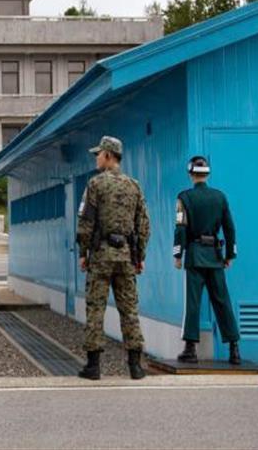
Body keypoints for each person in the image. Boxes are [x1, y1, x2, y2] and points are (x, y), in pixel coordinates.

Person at [76, 136, 150, 381]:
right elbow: (143, 225)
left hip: (101, 255)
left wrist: (83, 252)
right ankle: (135, 366)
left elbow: (86, 222)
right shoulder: (134, 186)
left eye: (98, 154)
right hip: (126, 256)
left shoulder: (95, 184)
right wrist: (139, 256)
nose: (96, 158)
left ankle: (93, 366)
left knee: (96, 308)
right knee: (129, 310)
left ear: (108, 155)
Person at [174, 156, 240, 365]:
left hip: (195, 256)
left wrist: (178, 254)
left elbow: (180, 228)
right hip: (215, 256)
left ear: (190, 174)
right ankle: (234, 349)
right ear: (208, 174)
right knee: (222, 301)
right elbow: (229, 228)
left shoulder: (184, 197)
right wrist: (230, 255)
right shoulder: (220, 197)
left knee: (193, 303)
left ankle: (190, 349)